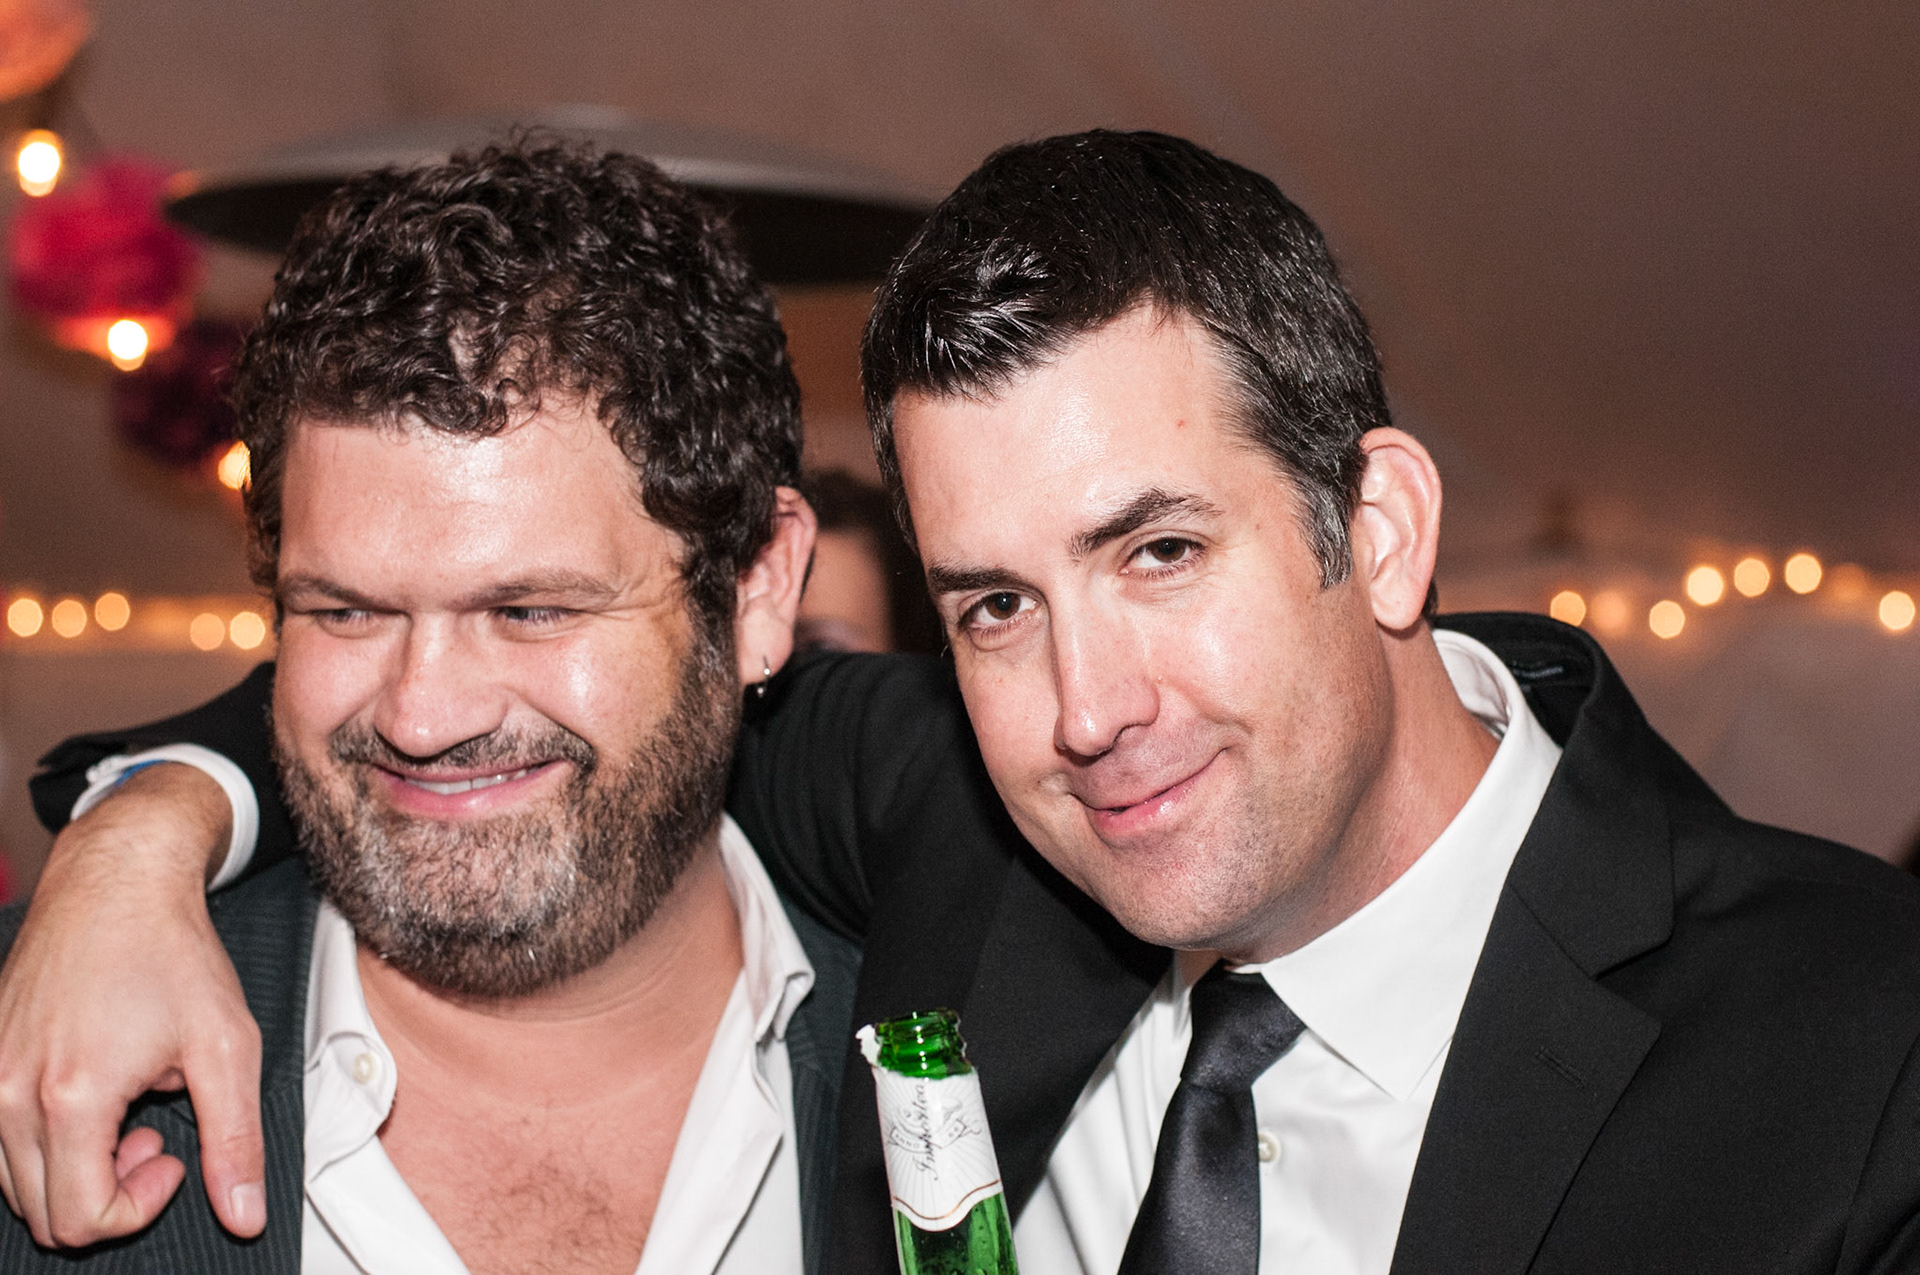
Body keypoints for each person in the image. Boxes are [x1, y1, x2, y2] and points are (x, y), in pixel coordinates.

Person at [10, 130, 1920, 1274]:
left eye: (1160, 552)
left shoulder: (1858, 1051)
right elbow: (479, 726)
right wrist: (141, 828)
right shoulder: (967, 815)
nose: (1088, 707)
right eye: (994, 603)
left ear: (1385, 526)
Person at [0, 139, 871, 1273]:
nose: (421, 717)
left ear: (758, 588)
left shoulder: (1009, 1047)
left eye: (530, 610)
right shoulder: (40, 1061)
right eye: (346, 612)